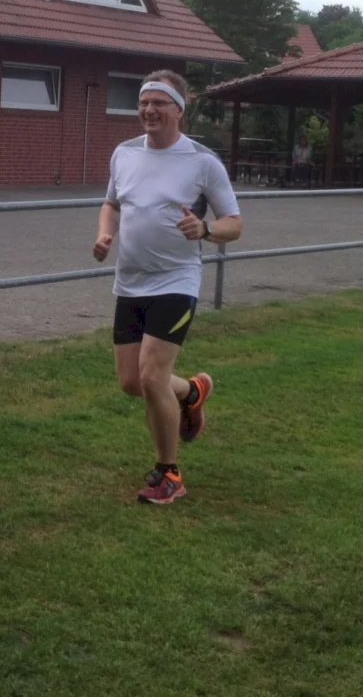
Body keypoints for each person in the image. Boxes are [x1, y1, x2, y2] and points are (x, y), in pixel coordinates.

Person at [93, 70, 242, 504]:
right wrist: (105, 233)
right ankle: (191, 391)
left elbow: (234, 224)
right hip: (131, 281)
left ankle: (168, 473)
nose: (149, 110)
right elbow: (111, 203)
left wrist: (206, 229)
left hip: (177, 280)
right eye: (144, 102)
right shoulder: (124, 154)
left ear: (179, 110)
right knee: (131, 382)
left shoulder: (202, 161)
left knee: (152, 375)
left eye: (159, 102)